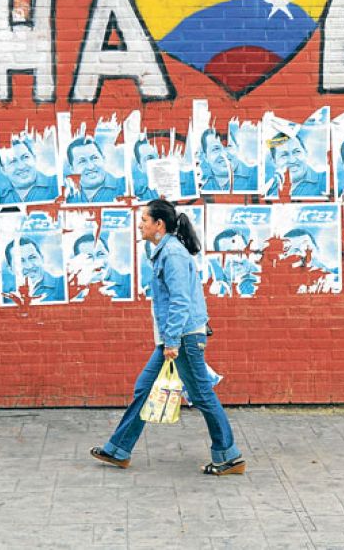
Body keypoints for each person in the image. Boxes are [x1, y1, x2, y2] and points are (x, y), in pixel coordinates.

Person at [90, 199, 245, 476]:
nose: (140, 225)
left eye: (144, 220)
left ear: (158, 224)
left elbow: (180, 301)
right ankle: (119, 450)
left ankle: (228, 455)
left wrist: (172, 341)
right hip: (173, 338)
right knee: (144, 388)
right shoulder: (165, 251)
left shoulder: (172, 253)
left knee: (201, 395)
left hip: (183, 338)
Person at [0, 138, 59, 205]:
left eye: (25, 157)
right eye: (12, 161)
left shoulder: (58, 184)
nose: (21, 166)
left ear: (34, 158)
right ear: (4, 170)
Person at [64, 137, 126, 204]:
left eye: (94, 158)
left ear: (103, 159)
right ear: (72, 169)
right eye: (82, 161)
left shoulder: (126, 188)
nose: (91, 166)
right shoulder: (67, 197)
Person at [3, 237, 65, 302]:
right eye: (20, 261)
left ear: (42, 259)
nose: (29, 266)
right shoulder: (7, 298)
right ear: (10, 269)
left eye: (32, 257)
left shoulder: (63, 285)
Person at [72, 233, 131, 299]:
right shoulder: (73, 291)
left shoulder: (130, 283)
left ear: (109, 254)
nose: (97, 262)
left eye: (101, 254)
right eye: (89, 257)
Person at [266, 133, 325, 197]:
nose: (292, 160)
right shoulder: (270, 189)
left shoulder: (325, 181)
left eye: (297, 152)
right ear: (274, 161)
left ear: (306, 153)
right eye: (284, 155)